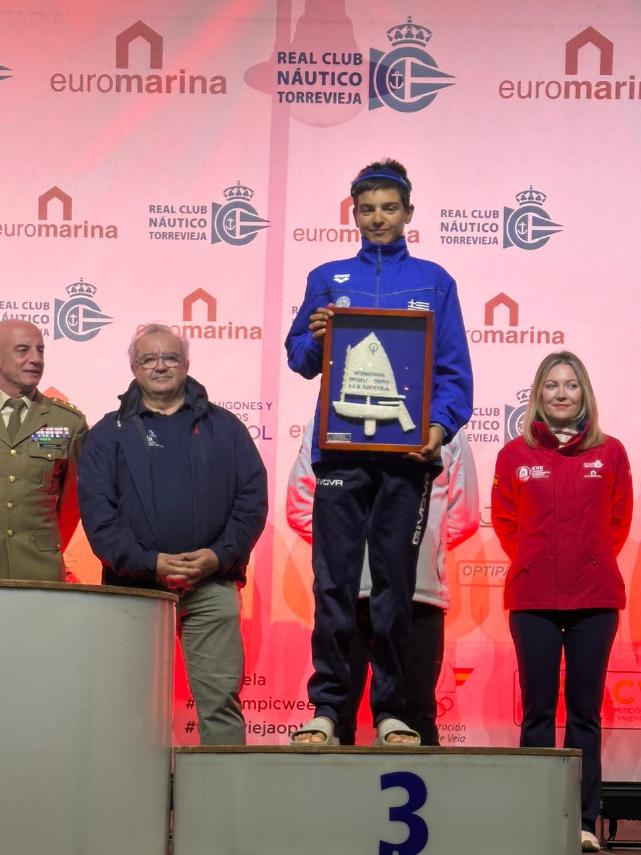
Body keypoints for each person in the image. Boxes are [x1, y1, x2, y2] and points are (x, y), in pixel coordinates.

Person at [285, 159, 473, 745]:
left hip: (404, 458)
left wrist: (438, 428)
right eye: (367, 209)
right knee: (334, 585)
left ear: (408, 212)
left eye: (389, 208)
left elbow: (453, 371)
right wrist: (316, 336)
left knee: (394, 587)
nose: (378, 218)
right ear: (354, 214)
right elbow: (300, 357)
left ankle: (392, 709)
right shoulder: (327, 276)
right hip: (340, 454)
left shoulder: (435, 281)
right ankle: (328, 707)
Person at [78, 323, 267, 745]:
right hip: (133, 590)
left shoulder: (226, 428)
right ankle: (130, 786)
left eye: (170, 357)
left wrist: (219, 556)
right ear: (133, 367)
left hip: (212, 586)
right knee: (129, 705)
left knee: (220, 706)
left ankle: (223, 789)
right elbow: (98, 515)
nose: (160, 366)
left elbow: (251, 500)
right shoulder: (107, 434)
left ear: (186, 364)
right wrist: (149, 563)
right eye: (149, 359)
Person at [491, 351, 632, 853]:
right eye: (552, 385)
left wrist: (589, 561)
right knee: (537, 712)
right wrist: (537, 562)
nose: (561, 393)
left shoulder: (610, 453)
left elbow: (618, 521)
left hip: (595, 598)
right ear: (539, 394)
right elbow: (506, 523)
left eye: (571, 385)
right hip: (533, 597)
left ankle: (584, 821)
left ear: (584, 393)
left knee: (584, 714)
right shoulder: (514, 455)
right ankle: (537, 819)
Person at [286, 420, 479, 744]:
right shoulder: (329, 419)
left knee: (414, 720)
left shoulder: (443, 425)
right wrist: (345, 555)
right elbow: (302, 505)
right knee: (334, 721)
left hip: (417, 595)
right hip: (347, 597)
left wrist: (409, 549)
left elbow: (463, 515)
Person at [0, 319, 86, 581]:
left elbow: (72, 503)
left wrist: (45, 542)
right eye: (23, 350)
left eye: (41, 350)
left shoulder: (67, 421)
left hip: (39, 568)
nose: (36, 359)